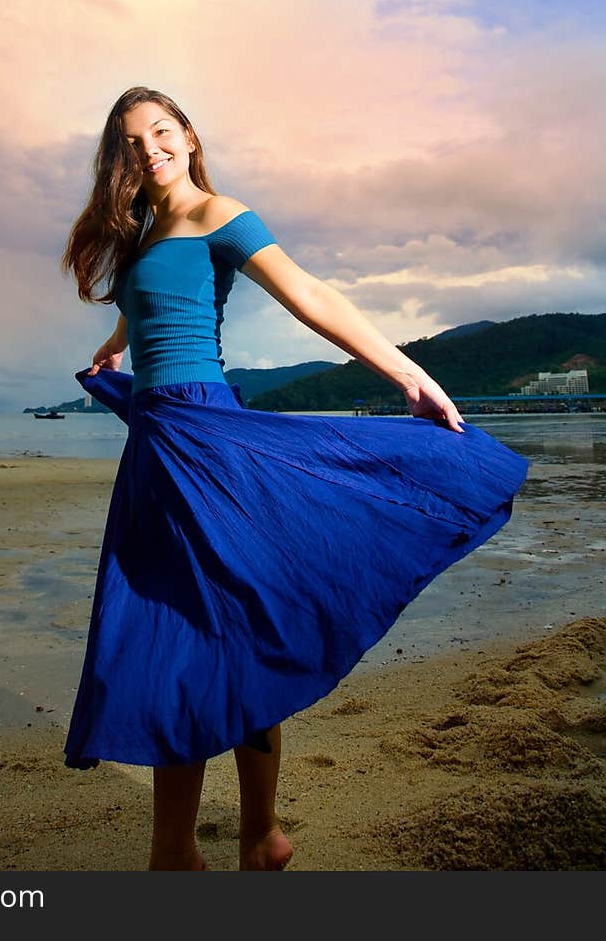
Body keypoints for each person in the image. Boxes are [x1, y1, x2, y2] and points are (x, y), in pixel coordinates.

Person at [60, 85, 528, 871]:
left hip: (208, 442)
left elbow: (308, 293)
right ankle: (238, 841)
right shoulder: (144, 237)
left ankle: (211, 843)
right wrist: (115, 346)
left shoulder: (219, 213)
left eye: (162, 132)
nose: (151, 150)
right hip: (158, 449)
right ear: (121, 160)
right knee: (193, 632)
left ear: (189, 136)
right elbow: (151, 312)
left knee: (220, 630)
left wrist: (406, 375)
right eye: (133, 142)